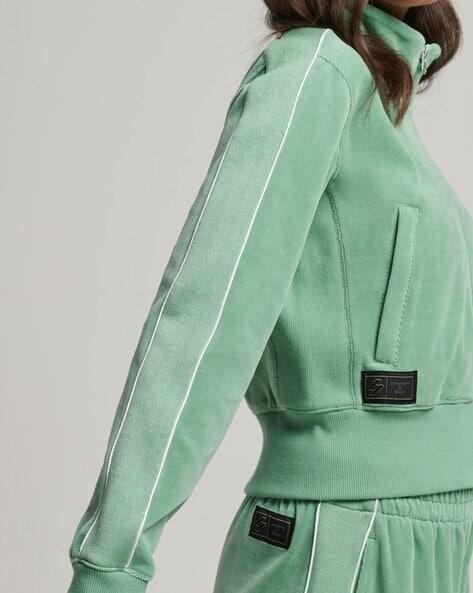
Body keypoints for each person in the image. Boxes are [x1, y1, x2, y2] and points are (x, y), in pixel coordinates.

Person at [66, 1, 473, 592]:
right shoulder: (316, 71)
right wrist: (109, 566)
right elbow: (206, 317)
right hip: (339, 541)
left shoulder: (386, 105)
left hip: (430, 540)